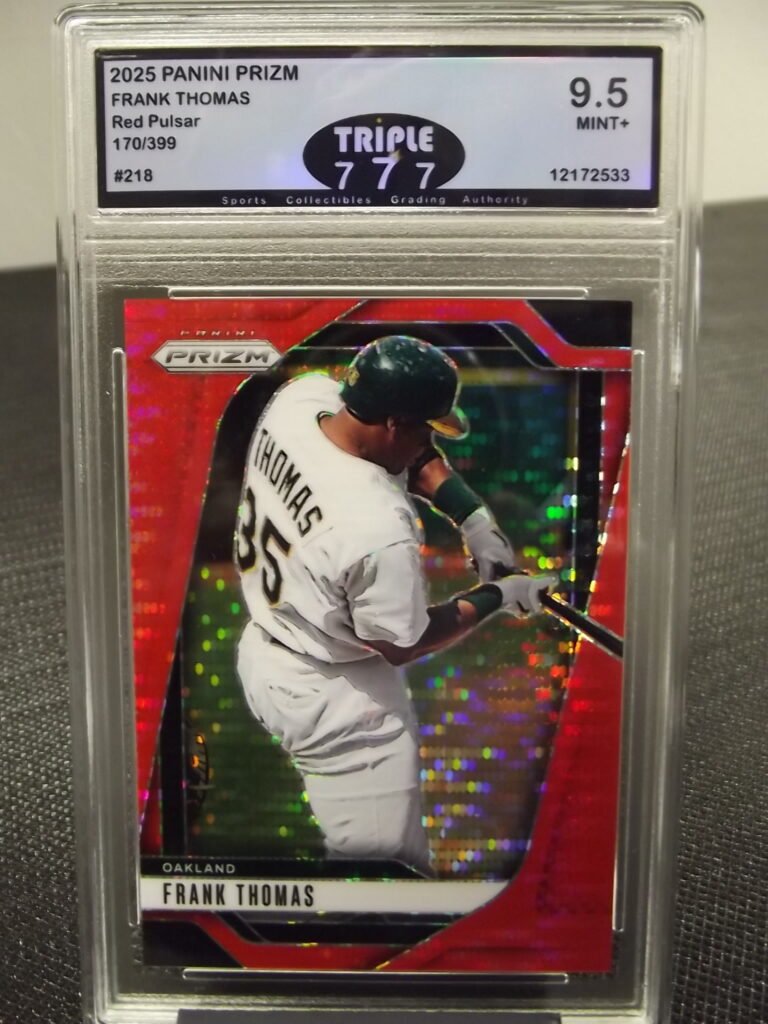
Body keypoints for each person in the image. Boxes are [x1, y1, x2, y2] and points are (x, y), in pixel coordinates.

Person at [234, 335, 556, 875]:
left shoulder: (300, 400)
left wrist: (472, 518)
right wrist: (500, 595)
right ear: (392, 423)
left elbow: (411, 454)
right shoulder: (377, 527)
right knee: (385, 881)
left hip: (265, 649)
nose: (428, 440)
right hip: (335, 699)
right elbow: (402, 644)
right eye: (423, 427)